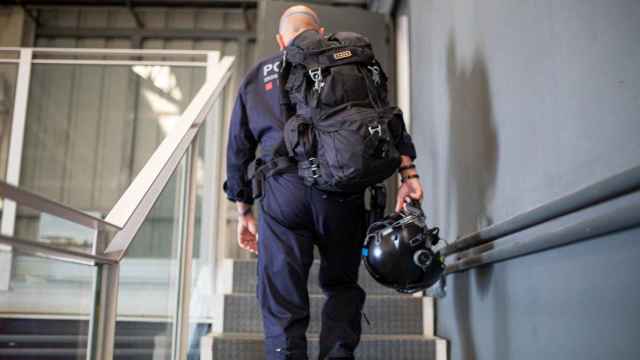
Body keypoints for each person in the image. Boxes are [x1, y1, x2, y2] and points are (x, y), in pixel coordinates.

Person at [223, 5, 423, 359]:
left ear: (281, 40)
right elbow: (385, 119)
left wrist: (244, 210)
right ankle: (339, 354)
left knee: (283, 295)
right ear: (321, 30)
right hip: (341, 191)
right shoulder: (349, 63)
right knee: (342, 285)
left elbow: (238, 151)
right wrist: (408, 175)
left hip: (283, 195)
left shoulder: (257, 77)